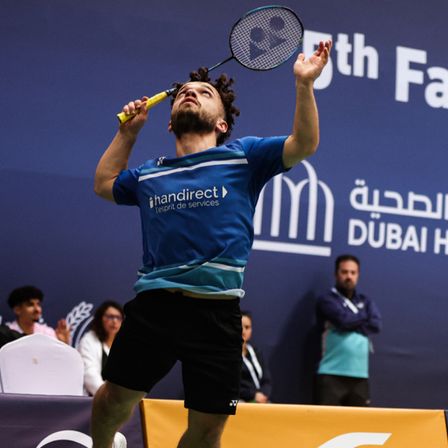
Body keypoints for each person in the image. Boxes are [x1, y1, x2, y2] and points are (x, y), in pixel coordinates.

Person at [92, 39, 332, 448]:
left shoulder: (245, 156)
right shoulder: (151, 174)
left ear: (222, 123)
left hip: (218, 315)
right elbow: (104, 185)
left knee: (207, 433)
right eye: (185, 91)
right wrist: (127, 134)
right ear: (169, 122)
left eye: (205, 93)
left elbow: (303, 144)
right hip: (155, 307)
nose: (191, 92)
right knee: (114, 401)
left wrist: (304, 85)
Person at [315, 254, 382, 407]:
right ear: (336, 274)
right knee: (327, 424)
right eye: (344, 272)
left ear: (358, 274)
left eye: (353, 272)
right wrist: (364, 317)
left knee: (359, 426)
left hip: (360, 376)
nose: (348, 276)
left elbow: (376, 324)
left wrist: (354, 319)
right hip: (331, 374)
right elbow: (343, 321)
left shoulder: (365, 300)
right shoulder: (327, 299)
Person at [78, 301, 124, 396]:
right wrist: (110, 398)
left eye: (118, 318)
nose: (115, 321)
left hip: (120, 402)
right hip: (94, 401)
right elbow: (90, 375)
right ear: (100, 319)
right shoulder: (88, 340)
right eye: (110, 317)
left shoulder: (124, 343)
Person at [6, 285, 70, 344]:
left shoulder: (47, 332)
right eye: (30, 305)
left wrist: (63, 344)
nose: (37, 309)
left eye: (38, 304)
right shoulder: (5, 334)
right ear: (17, 310)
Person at [240, 311, 271, 403]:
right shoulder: (228, 356)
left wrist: (263, 394)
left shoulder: (256, 352)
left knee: (275, 410)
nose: (243, 331)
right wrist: (253, 395)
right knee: (234, 405)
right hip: (239, 400)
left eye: (247, 327)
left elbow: (267, 380)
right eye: (240, 326)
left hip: (260, 399)